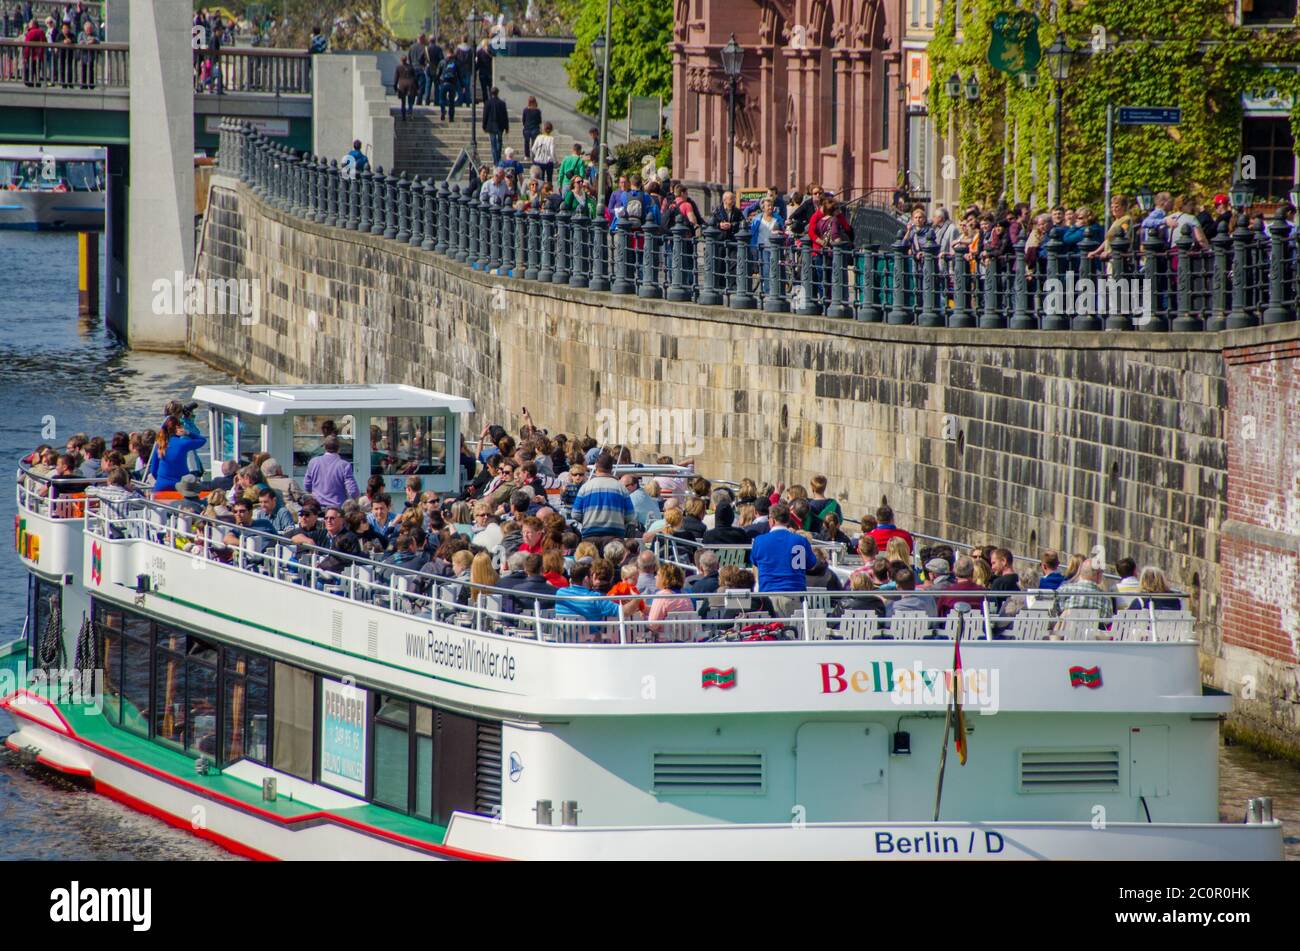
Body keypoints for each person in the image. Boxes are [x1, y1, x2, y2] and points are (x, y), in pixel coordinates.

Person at [749, 503, 815, 616]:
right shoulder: (801, 541)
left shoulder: (759, 541)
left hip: (767, 596)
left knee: (769, 632)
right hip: (794, 596)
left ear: (772, 520)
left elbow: (755, 563)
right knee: (796, 632)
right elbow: (811, 564)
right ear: (788, 520)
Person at [148, 415, 205, 493]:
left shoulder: (159, 444)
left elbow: (153, 471)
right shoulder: (183, 443)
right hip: (181, 485)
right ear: (178, 428)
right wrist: (188, 433)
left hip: (161, 485)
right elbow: (202, 440)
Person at [303, 435, 359, 509]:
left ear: (324, 447)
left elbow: (307, 486)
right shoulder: (344, 465)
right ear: (339, 449)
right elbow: (353, 491)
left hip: (317, 507)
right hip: (337, 508)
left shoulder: (313, 462)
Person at [483, 86, 509, 167]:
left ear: (491, 93)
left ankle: (496, 161)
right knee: (499, 143)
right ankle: (498, 159)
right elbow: (505, 116)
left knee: (493, 144)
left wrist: (484, 125)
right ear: (497, 93)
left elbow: (485, 115)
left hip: (491, 126)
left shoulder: (488, 103)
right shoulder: (502, 103)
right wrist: (506, 127)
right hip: (500, 126)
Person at [530, 120, 556, 186]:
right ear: (551, 130)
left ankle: (540, 191)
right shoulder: (551, 138)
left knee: (539, 179)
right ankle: (549, 191)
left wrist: (538, 154)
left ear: (543, 129)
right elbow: (552, 151)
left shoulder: (539, 137)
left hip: (538, 161)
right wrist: (555, 160)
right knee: (549, 178)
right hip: (548, 162)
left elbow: (533, 149)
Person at [394, 55, 418, 120]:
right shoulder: (411, 67)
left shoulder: (398, 67)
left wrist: (395, 87)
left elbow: (396, 78)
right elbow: (415, 78)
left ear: (401, 60)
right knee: (410, 101)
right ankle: (410, 113)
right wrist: (417, 87)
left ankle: (403, 116)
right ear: (406, 60)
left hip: (402, 85)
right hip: (411, 84)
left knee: (403, 102)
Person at [437, 53, 459, 121]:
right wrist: (462, 85)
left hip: (443, 83)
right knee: (451, 101)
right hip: (452, 84)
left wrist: (438, 81)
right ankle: (451, 118)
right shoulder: (455, 63)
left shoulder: (442, 62)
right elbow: (459, 74)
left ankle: (443, 110)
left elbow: (438, 73)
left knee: (441, 99)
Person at [522, 96, 542, 161]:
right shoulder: (537, 111)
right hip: (535, 129)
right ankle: (534, 155)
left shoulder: (525, 110)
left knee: (526, 142)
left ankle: (527, 156)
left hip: (527, 128)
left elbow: (523, 120)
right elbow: (539, 121)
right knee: (534, 143)